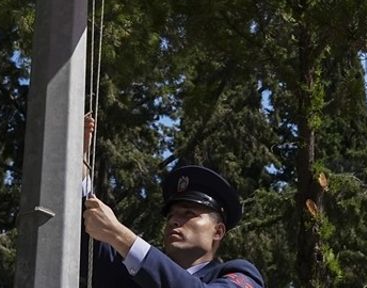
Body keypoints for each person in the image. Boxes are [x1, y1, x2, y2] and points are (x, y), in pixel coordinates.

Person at [81, 117, 265, 288]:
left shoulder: (241, 274)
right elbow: (86, 240)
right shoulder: (137, 273)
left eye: (188, 214)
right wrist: (77, 165)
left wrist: (119, 235)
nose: (173, 221)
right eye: (171, 215)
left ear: (218, 231)